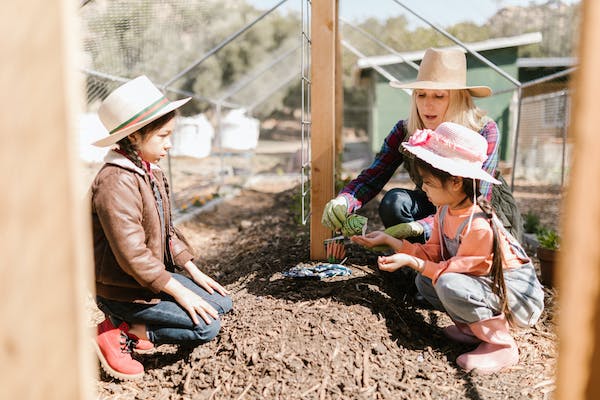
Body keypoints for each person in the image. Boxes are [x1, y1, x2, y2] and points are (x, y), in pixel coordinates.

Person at [351, 122, 544, 374]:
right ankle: (473, 330)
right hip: (488, 288)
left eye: (428, 183)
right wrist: (391, 241)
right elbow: (434, 255)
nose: (423, 189)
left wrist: (411, 262)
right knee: (425, 283)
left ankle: (502, 346)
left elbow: (450, 271)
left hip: (518, 299)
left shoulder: (478, 225)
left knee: (447, 283)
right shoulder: (445, 211)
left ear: (454, 182)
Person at [90, 76, 233, 380]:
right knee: (207, 325)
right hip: (124, 291)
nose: (169, 144)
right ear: (134, 137)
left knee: (222, 303)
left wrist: (194, 272)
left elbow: (166, 232)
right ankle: (121, 332)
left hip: (145, 284)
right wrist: (181, 293)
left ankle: (127, 326)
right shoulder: (116, 183)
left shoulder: (148, 172)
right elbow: (134, 257)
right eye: (162, 136)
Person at [322, 47, 522, 243]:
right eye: (421, 94)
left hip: (480, 215)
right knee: (394, 202)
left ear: (459, 98)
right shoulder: (405, 130)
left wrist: (420, 227)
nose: (427, 104)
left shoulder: (484, 131)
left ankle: (438, 263)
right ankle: (414, 265)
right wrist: (344, 200)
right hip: (432, 202)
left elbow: (477, 201)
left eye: (439, 96)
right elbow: (373, 177)